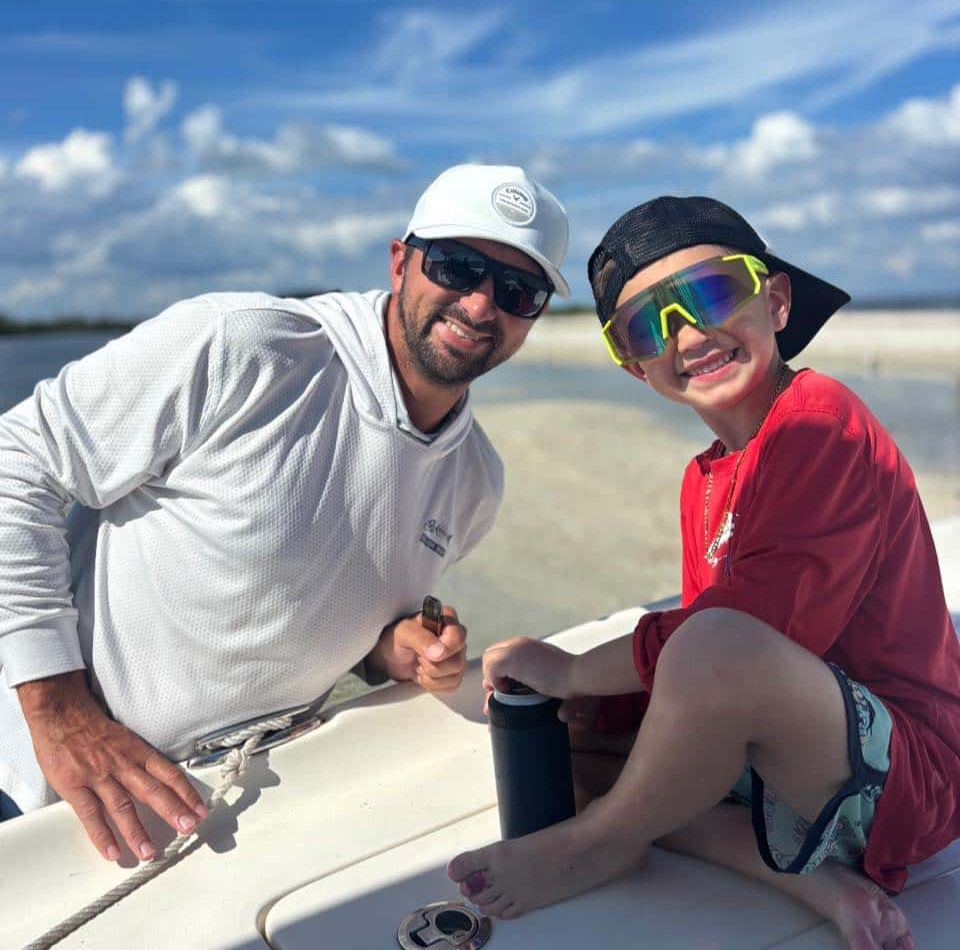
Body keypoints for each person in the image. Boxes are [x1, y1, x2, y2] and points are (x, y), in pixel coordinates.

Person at [0, 164, 570, 861]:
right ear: (400, 261)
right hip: (31, 784)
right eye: (456, 266)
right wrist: (58, 716)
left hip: (230, 810)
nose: (481, 305)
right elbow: (16, 462)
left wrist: (388, 650)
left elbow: (318, 598)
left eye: (518, 290)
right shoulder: (246, 346)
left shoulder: (476, 483)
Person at [448, 196, 960, 949]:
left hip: (906, 776)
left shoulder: (822, 422)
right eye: (647, 325)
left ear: (776, 299)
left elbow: (735, 640)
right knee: (573, 745)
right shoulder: (706, 478)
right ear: (634, 367)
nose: (687, 334)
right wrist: (589, 703)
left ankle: (595, 847)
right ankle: (805, 877)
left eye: (713, 293)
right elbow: (701, 663)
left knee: (712, 643)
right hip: (791, 761)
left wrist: (573, 666)